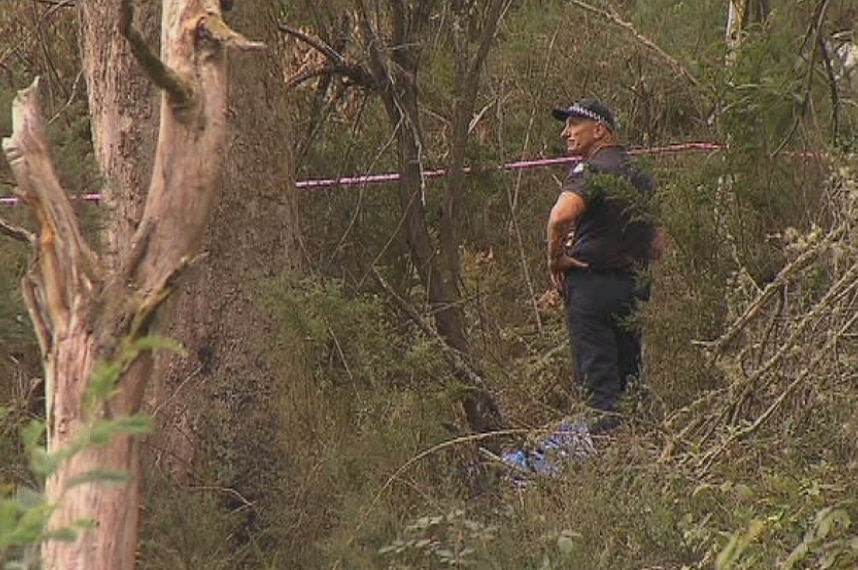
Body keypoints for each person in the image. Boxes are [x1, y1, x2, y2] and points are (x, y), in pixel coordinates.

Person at [545, 99, 664, 434]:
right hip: (634, 288)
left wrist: (556, 259)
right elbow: (658, 246)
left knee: (600, 388)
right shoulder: (642, 175)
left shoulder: (593, 170)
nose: (565, 132)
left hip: (592, 287)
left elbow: (560, 217)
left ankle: (612, 470)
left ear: (600, 130)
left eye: (574, 124)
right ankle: (641, 457)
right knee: (631, 381)